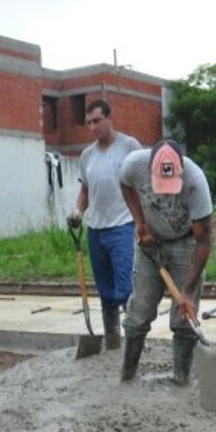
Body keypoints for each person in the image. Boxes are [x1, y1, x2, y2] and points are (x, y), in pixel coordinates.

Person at [118, 139, 213, 385]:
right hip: (150, 242)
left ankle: (181, 379)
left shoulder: (195, 182)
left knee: (184, 315)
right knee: (140, 309)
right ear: (150, 168)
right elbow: (125, 184)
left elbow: (204, 243)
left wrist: (188, 292)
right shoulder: (133, 165)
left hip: (186, 243)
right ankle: (127, 377)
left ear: (180, 169)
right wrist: (139, 222)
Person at [67, 100, 140, 350]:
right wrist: (78, 210)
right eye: (88, 123)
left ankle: (133, 341)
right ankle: (112, 343)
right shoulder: (87, 155)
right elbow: (85, 190)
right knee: (105, 290)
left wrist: (144, 222)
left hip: (123, 226)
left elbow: (141, 185)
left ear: (110, 118)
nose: (92, 127)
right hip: (96, 230)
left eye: (97, 121)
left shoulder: (129, 147)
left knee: (125, 288)